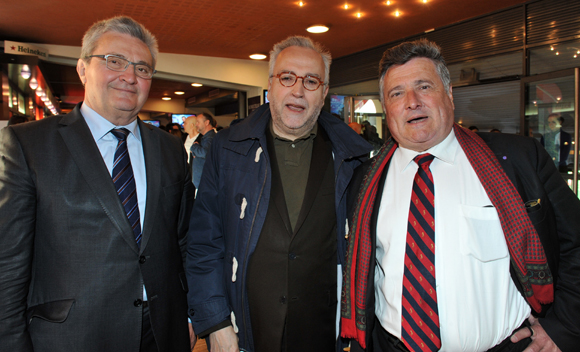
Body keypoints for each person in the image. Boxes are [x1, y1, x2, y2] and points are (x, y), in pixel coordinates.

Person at [341, 39, 580, 352]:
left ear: (449, 94)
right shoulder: (364, 181)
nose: (412, 102)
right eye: (397, 93)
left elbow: (575, 244)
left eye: (424, 86)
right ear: (387, 109)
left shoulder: (519, 161)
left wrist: (562, 328)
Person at [0, 16, 196, 352]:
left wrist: (190, 316)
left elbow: (182, 241)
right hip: (72, 336)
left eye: (142, 68)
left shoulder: (170, 149)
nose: (129, 76)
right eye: (114, 61)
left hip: (163, 331)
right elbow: (8, 262)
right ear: (82, 69)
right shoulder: (27, 145)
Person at [186, 36, 372, 352]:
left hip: (323, 335)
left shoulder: (354, 158)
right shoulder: (227, 150)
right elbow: (204, 245)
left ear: (324, 93)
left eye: (311, 81)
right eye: (287, 77)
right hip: (245, 333)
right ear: (271, 85)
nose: (297, 90)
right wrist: (215, 324)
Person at [190, 112, 216, 189]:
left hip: (204, 182)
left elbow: (204, 153)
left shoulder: (210, 137)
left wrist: (194, 147)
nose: (196, 124)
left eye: (198, 122)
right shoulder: (206, 137)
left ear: (207, 122)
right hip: (203, 181)